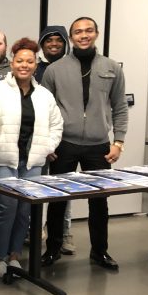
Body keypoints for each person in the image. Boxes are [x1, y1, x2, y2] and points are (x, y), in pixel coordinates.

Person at [41, 17, 128, 271]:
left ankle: (99, 252)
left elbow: (120, 107)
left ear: (96, 34)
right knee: (57, 199)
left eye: (88, 30)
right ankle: (53, 249)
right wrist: (49, 145)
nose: (83, 35)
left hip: (99, 145)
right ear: (71, 37)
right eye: (78, 32)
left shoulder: (111, 67)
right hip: (64, 144)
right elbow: (45, 110)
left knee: (99, 202)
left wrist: (119, 142)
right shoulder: (54, 70)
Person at [0, 38, 63, 277]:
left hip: (33, 161)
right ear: (12, 63)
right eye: (20, 60)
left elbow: (56, 125)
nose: (24, 65)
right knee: (7, 208)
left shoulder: (44, 95)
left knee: (25, 211)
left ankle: (14, 255)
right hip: (3, 159)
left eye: (30, 61)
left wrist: (47, 146)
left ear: (35, 64)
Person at [35, 25, 76, 255]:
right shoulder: (35, 69)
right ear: (42, 44)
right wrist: (45, 142)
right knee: (39, 188)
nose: (53, 44)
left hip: (66, 139)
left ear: (65, 43)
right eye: (48, 40)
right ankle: (39, 232)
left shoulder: (73, 67)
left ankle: (64, 233)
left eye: (58, 40)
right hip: (41, 139)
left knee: (63, 189)